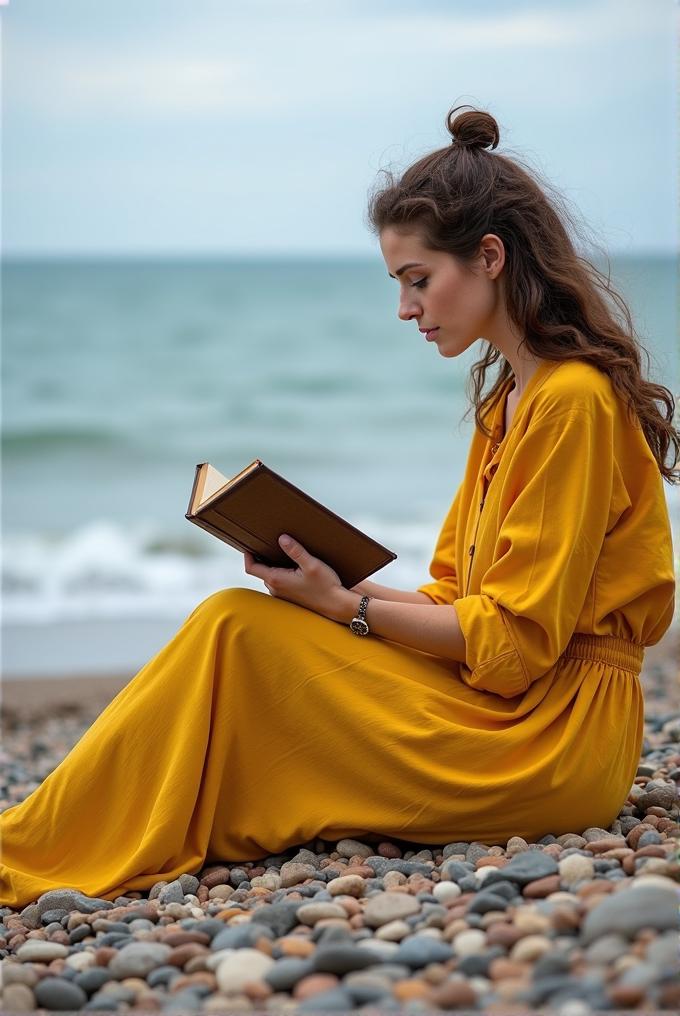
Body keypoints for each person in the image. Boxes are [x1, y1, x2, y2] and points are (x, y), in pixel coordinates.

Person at [1, 108, 675, 909]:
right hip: (507, 707)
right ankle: (53, 830)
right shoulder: (509, 405)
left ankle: (42, 840)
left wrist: (349, 607)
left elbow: (517, 643)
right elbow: (461, 607)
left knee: (233, 630)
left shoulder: (571, 402)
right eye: (400, 284)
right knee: (240, 620)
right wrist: (326, 592)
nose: (404, 309)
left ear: (489, 257)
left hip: (552, 743)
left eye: (418, 279)